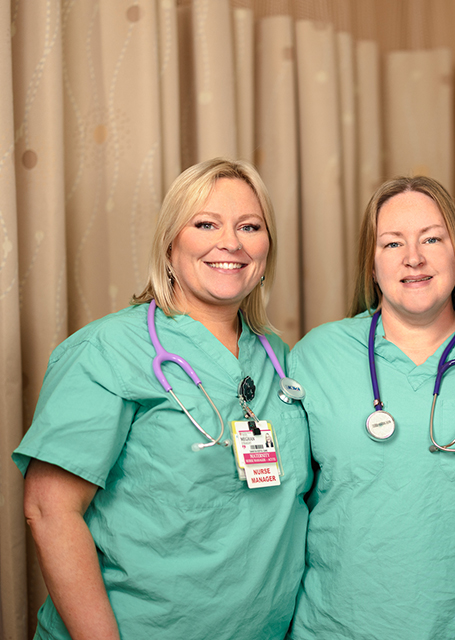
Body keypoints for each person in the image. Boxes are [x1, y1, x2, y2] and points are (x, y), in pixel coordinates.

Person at [14, 159, 311, 639]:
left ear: (267, 247)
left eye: (249, 226)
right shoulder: (108, 351)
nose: (230, 243)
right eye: (206, 223)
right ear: (171, 244)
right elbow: (50, 512)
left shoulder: (276, 356)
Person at [286, 176, 455, 639]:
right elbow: (276, 503)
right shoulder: (315, 356)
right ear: (372, 261)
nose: (414, 258)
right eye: (392, 243)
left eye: (432, 238)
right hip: (334, 627)